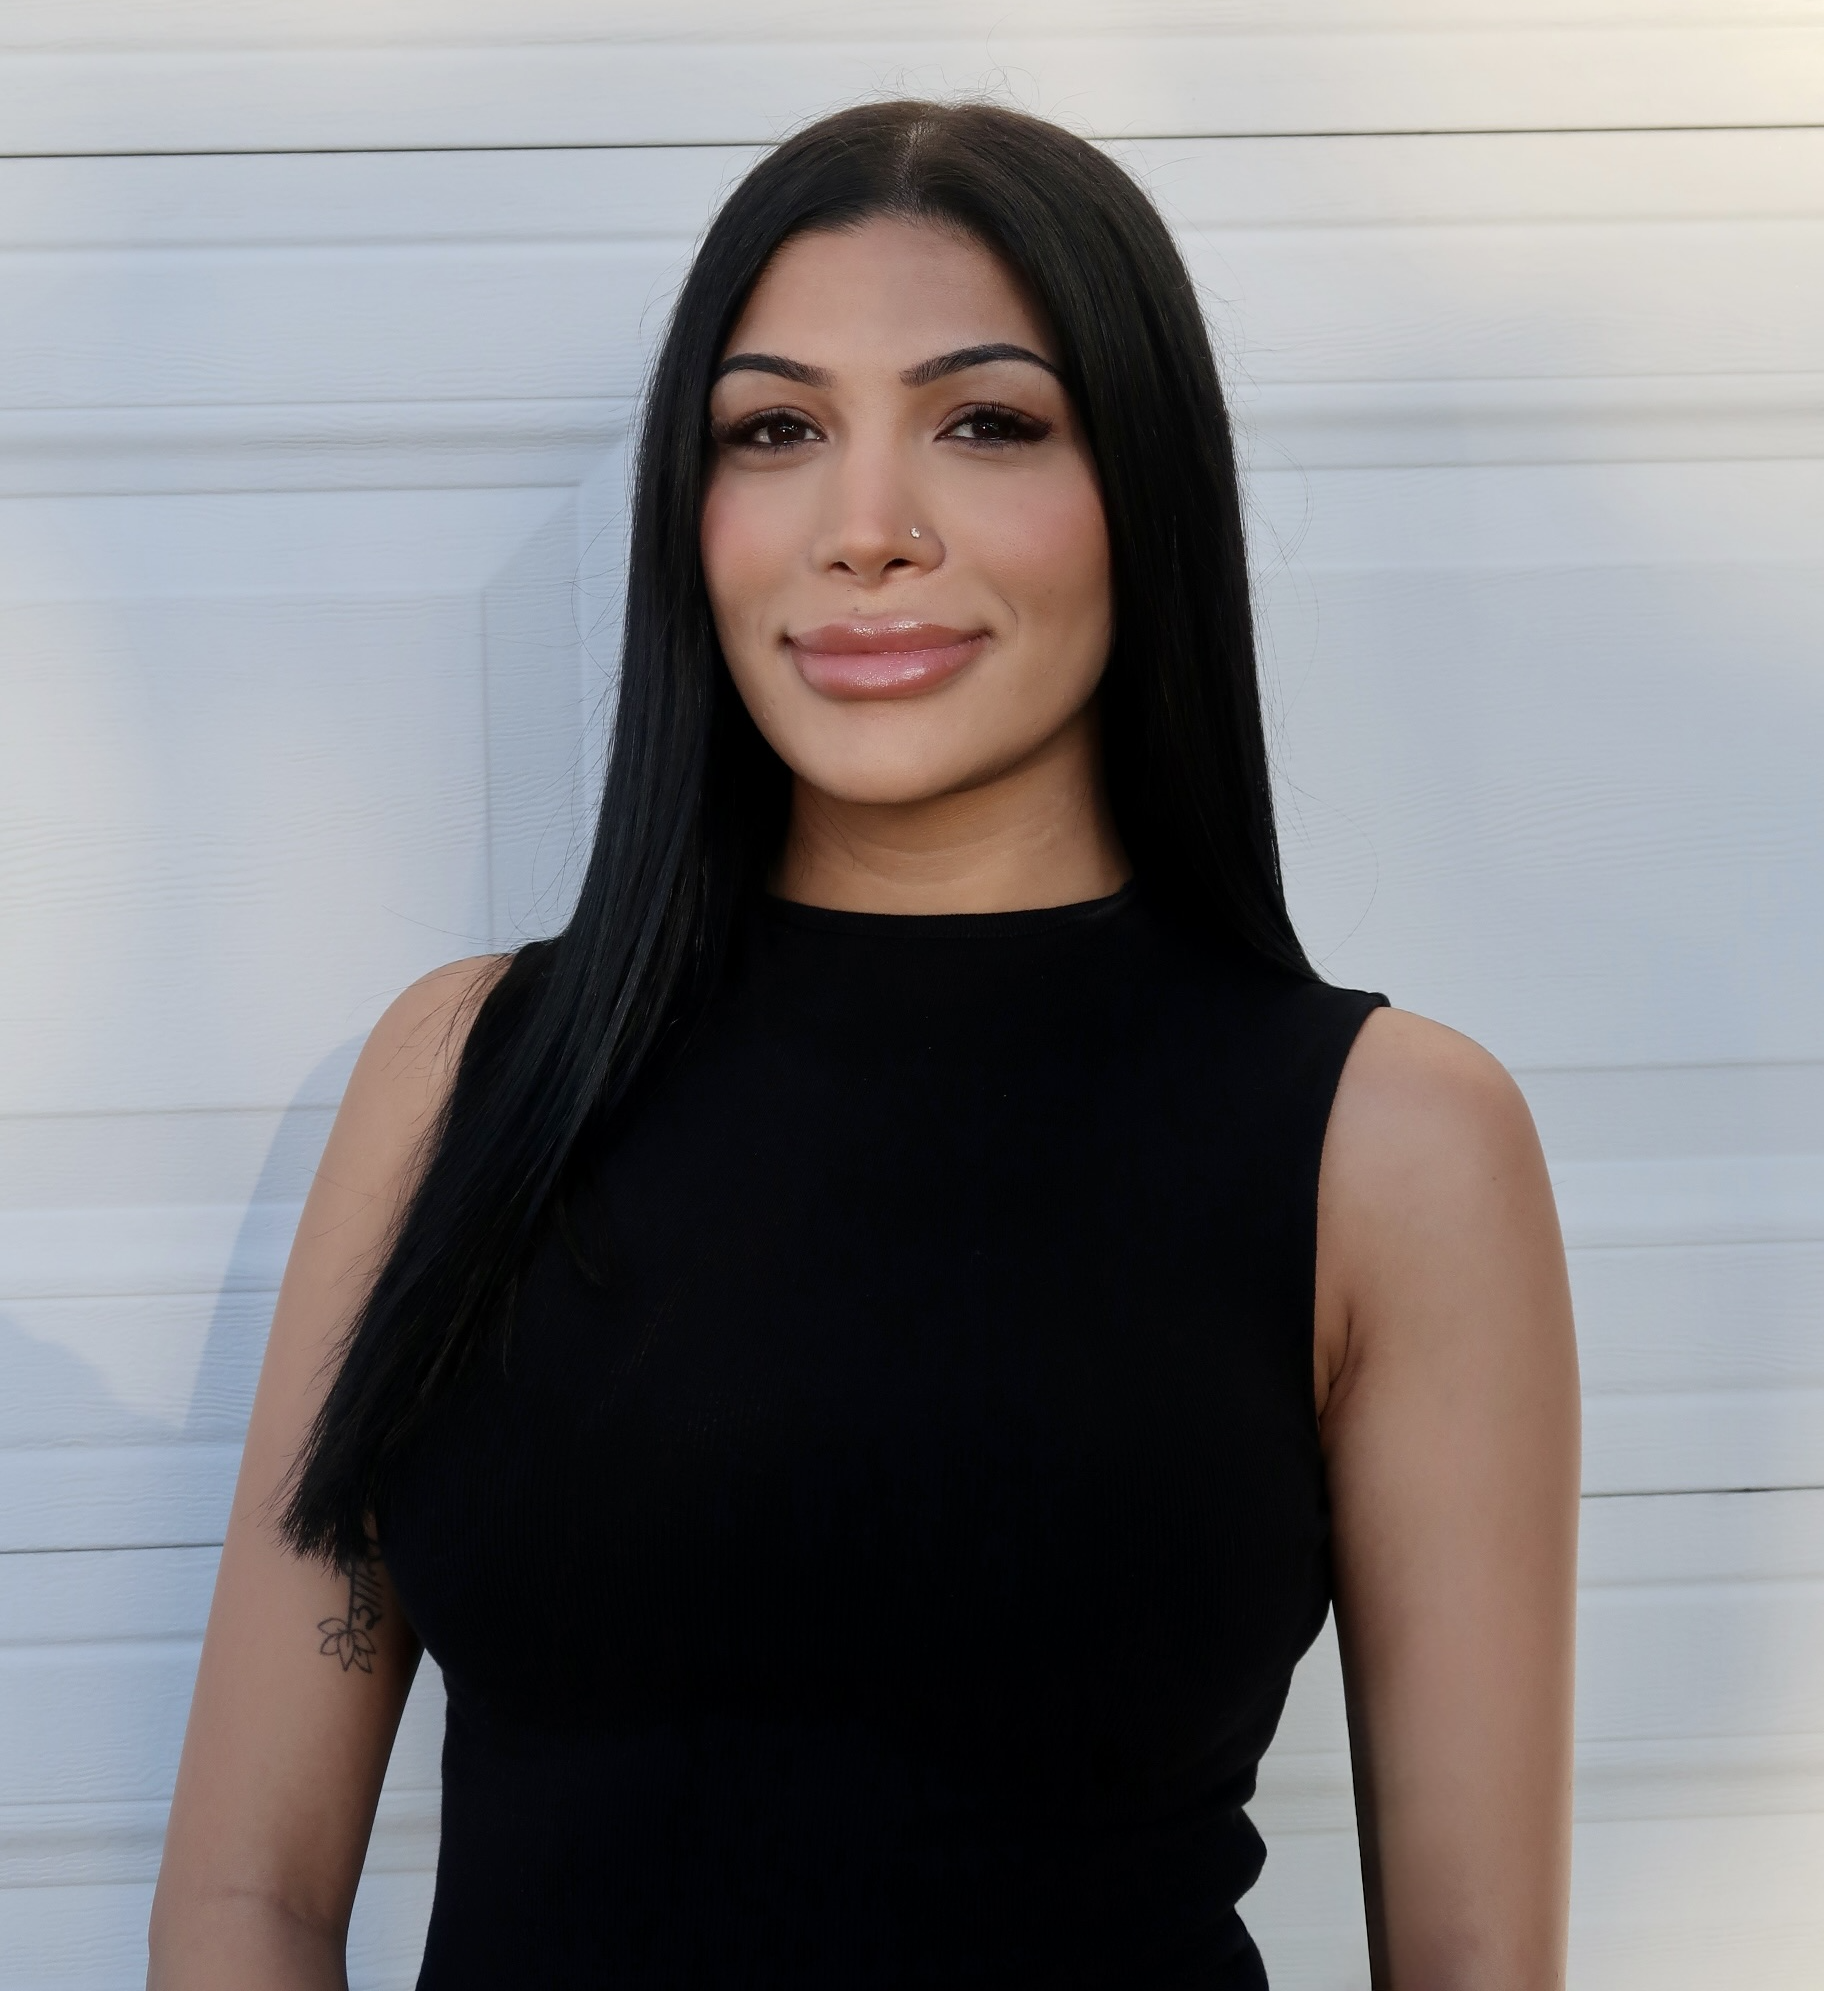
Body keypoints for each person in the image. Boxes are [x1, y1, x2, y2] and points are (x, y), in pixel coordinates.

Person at [149, 101, 1579, 1989]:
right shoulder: (465, 1080)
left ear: (1145, 486)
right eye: (776, 430)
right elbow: (245, 1900)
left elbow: (1474, 1963)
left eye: (986, 422)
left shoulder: (1391, 1146)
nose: (866, 532)